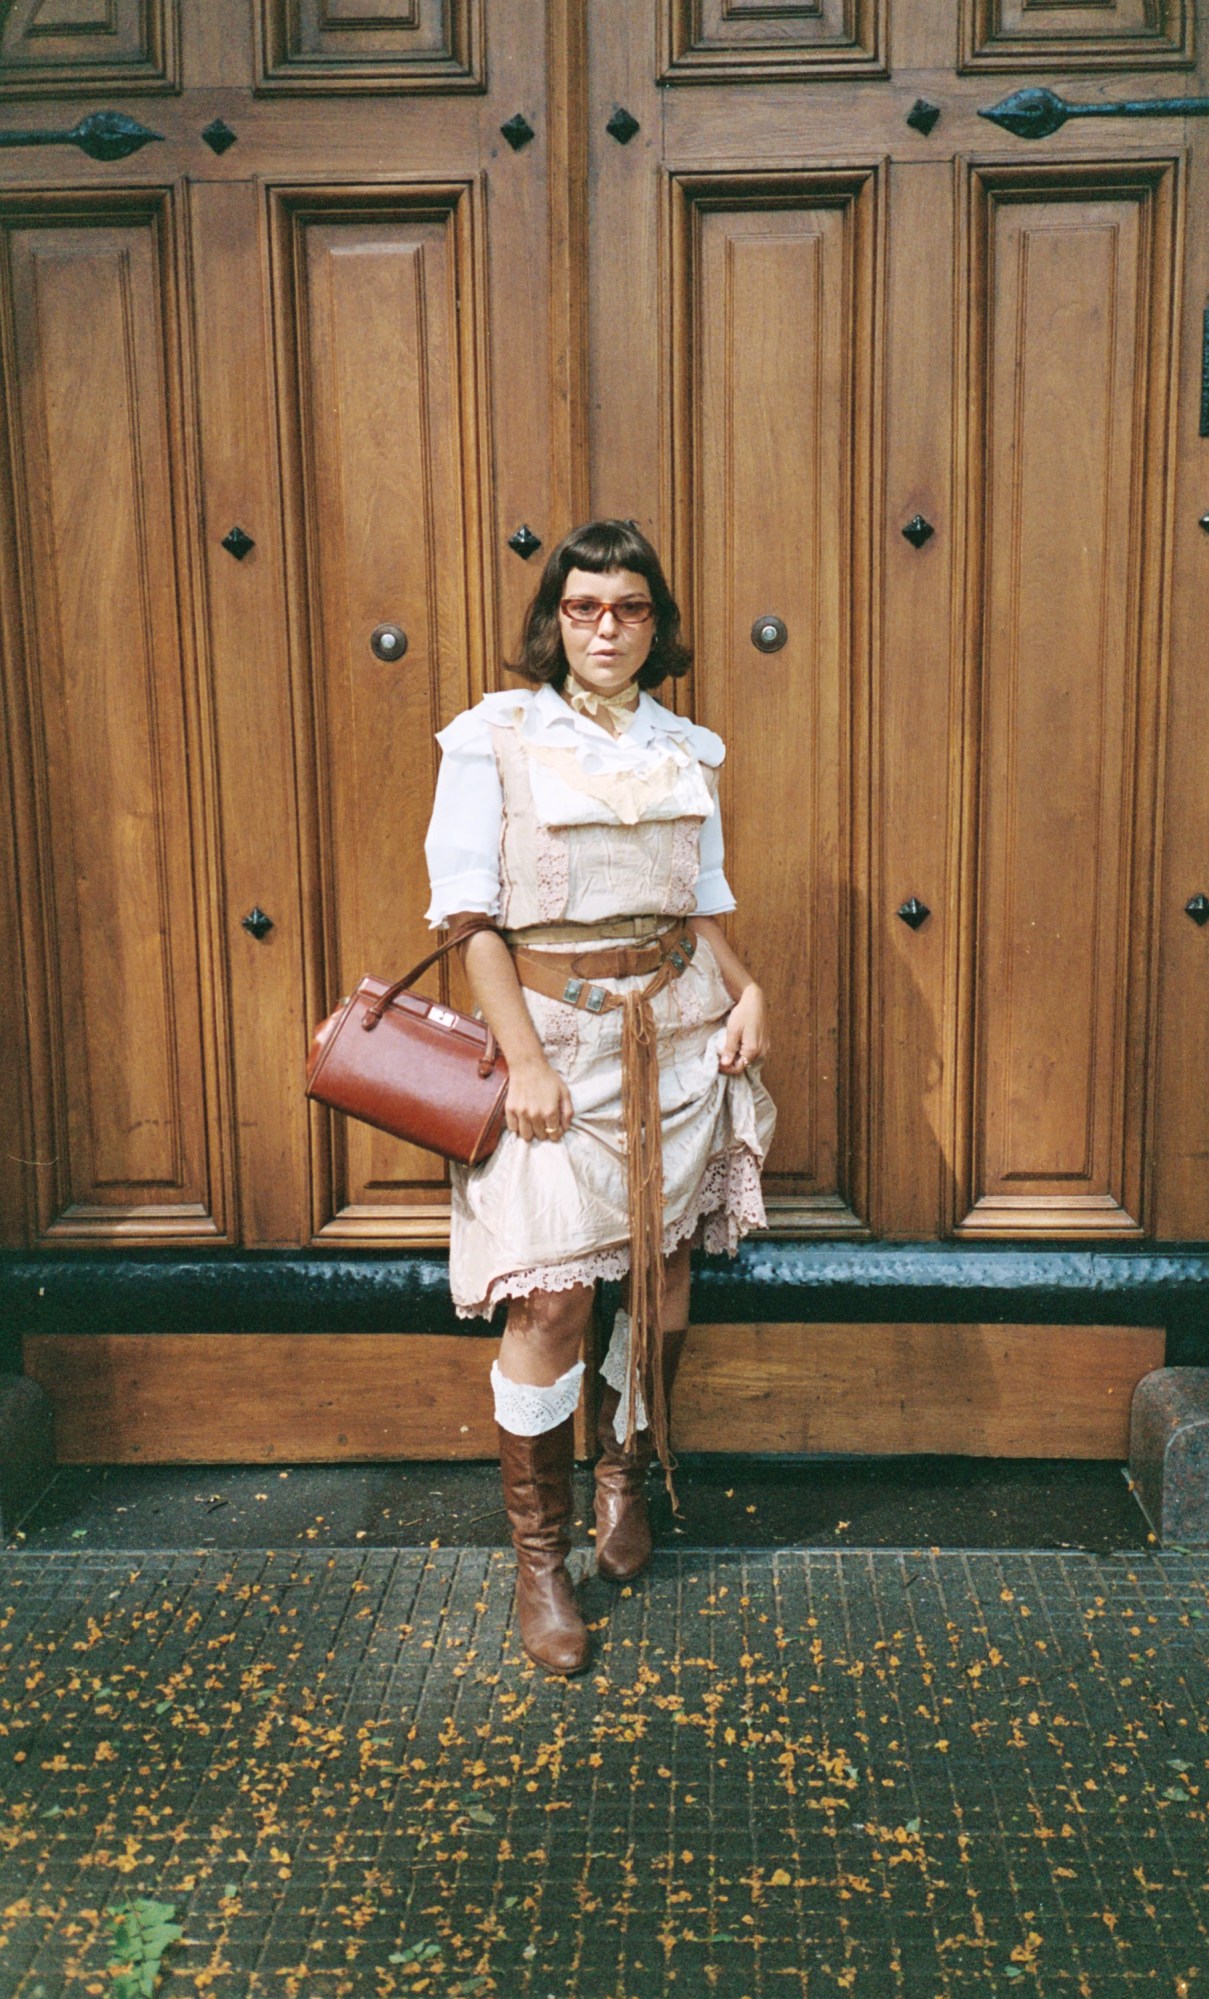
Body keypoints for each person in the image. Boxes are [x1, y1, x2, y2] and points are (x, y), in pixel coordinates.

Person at [424, 519, 776, 1675]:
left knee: (663, 1278)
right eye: (584, 608)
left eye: (628, 607)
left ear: (654, 623)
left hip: (677, 1039)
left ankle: (626, 1463)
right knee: (553, 1303)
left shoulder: (685, 745)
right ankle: (541, 1558)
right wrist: (521, 1058)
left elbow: (703, 901)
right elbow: (468, 921)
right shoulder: (494, 737)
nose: (607, 628)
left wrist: (748, 990)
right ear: (555, 619)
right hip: (556, 1054)